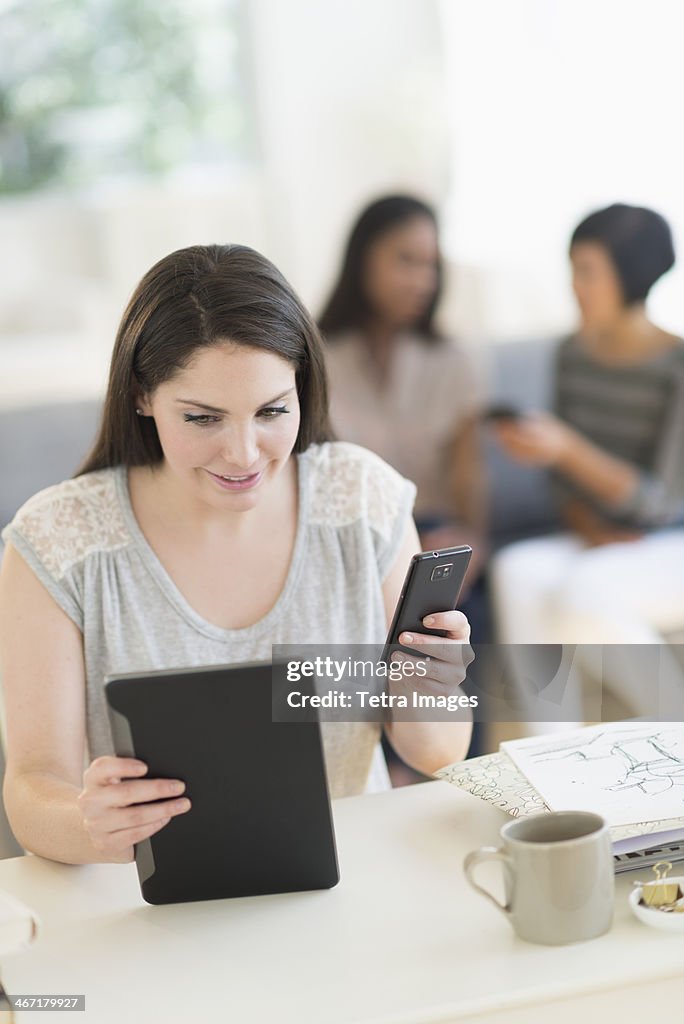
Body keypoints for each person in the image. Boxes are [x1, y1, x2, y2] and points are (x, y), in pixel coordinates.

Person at [0, 244, 472, 866]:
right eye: (203, 418)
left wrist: (432, 686)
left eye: (273, 411)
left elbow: (435, 754)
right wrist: (85, 823)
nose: (245, 454)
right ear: (142, 395)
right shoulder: (60, 541)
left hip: (349, 882)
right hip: (150, 903)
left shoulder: (362, 499)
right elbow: (33, 788)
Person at [490, 203, 684, 725]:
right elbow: (560, 485)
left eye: (587, 272)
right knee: (516, 568)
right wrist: (582, 520)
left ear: (632, 275)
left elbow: (662, 503)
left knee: (587, 590)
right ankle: (552, 753)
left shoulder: (679, 365)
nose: (575, 286)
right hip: (597, 534)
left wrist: (567, 448)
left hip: (668, 541)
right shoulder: (571, 355)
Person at [319, 195, 487, 610]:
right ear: (362, 260)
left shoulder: (454, 361)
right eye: (406, 260)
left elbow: (470, 479)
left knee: (445, 635)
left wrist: (474, 541)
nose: (423, 281)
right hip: (352, 541)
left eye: (431, 265)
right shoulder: (315, 359)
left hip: (433, 537)